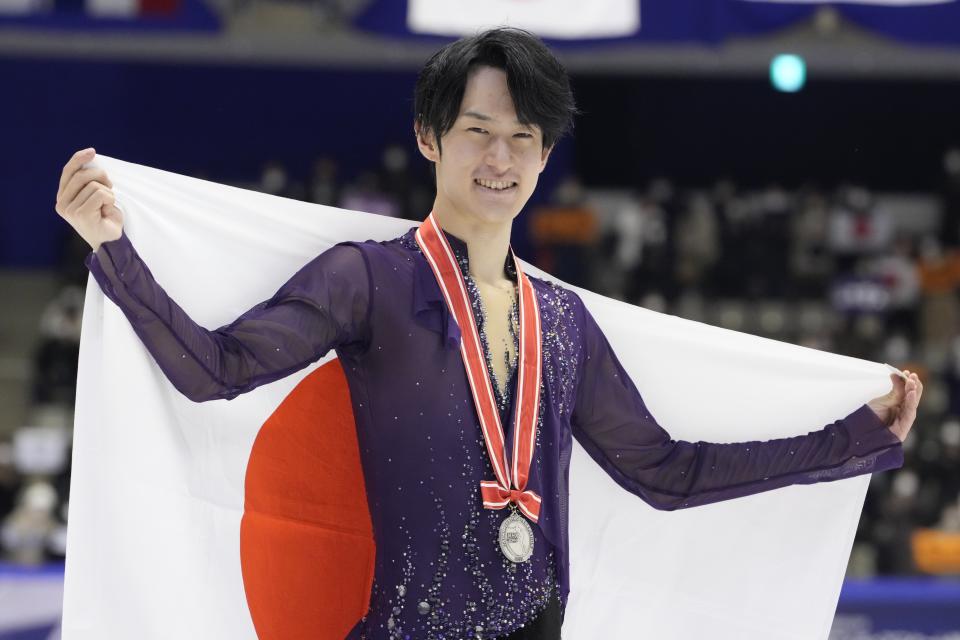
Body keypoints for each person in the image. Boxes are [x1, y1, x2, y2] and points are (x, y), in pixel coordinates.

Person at [54, 27, 922, 640]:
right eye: (478, 133)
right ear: (430, 138)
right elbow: (218, 369)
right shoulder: (371, 279)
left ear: (545, 159)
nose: (500, 160)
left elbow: (667, 472)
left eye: (523, 138)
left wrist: (853, 434)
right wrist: (115, 250)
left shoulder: (566, 325)